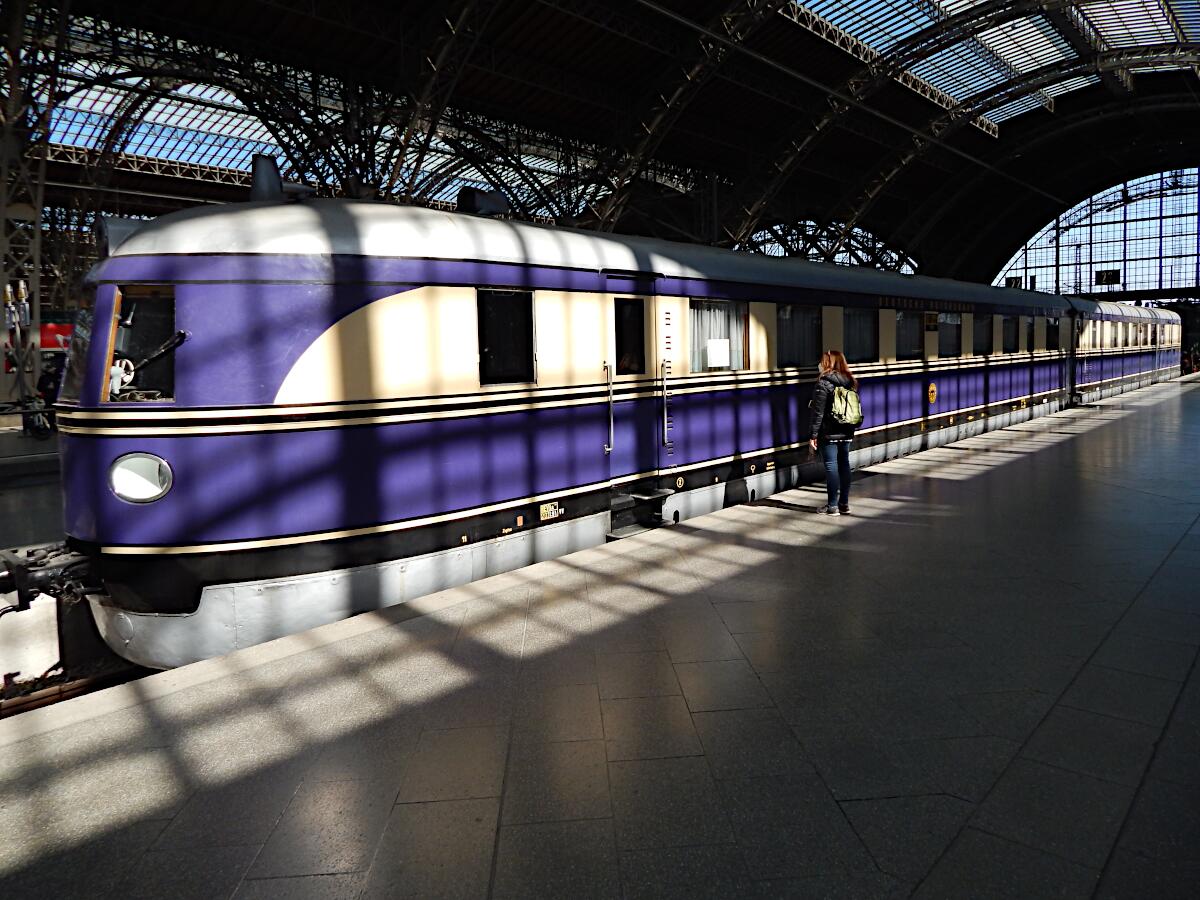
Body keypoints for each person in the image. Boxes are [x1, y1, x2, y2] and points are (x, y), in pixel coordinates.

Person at [808, 350, 858, 515]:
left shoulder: (823, 383)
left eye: (822, 361)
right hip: (847, 430)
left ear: (827, 363)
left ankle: (832, 506)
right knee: (844, 465)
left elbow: (818, 413)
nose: (820, 364)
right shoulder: (850, 382)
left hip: (829, 432)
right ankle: (844, 504)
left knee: (831, 467)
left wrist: (813, 435)